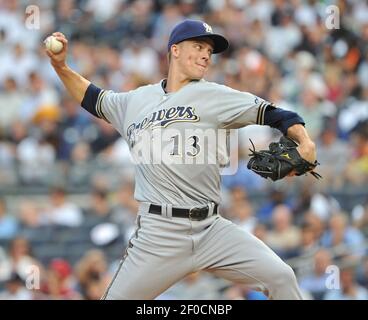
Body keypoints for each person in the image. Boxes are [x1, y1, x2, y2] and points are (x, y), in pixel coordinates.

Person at [46, 19, 317, 300]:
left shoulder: (215, 95)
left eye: (209, 52)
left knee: (283, 278)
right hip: (158, 235)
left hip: (211, 229)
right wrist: (61, 67)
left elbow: (277, 114)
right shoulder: (134, 101)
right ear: (174, 50)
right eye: (198, 46)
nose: (205, 55)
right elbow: (93, 97)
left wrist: (304, 140)